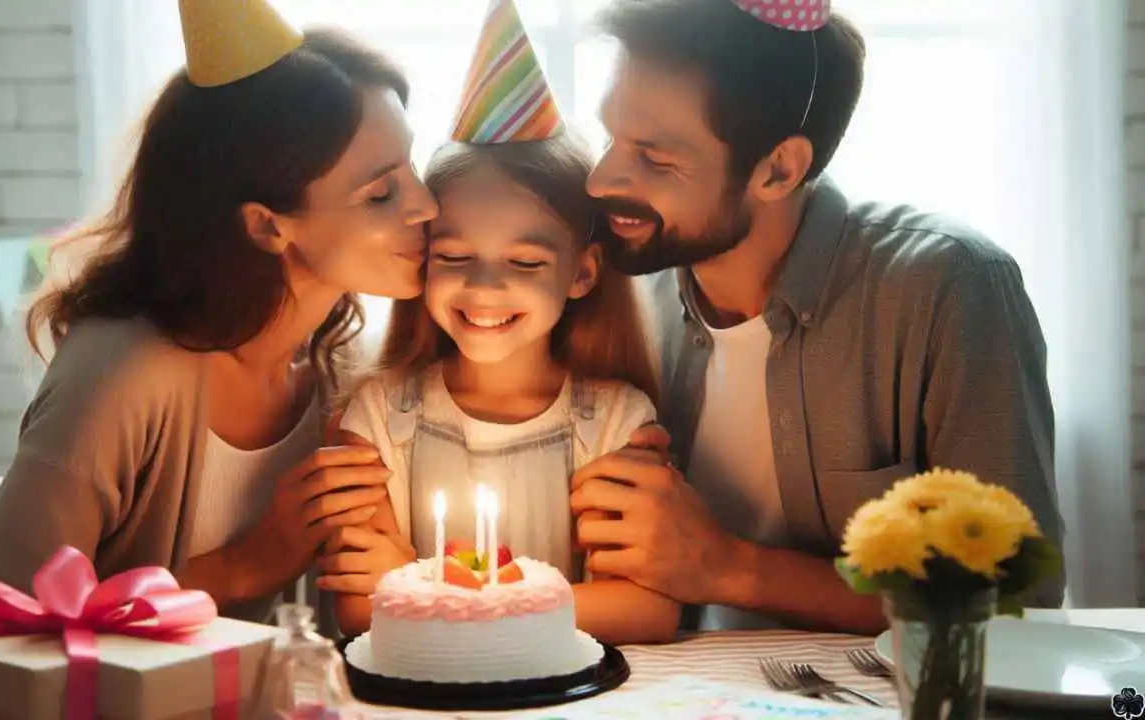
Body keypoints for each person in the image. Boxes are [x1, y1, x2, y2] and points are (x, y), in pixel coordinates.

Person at [570, 0, 1065, 635]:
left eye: (655, 158)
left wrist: (728, 568)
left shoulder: (946, 287)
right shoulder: (621, 284)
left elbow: (1014, 600)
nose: (600, 178)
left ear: (779, 169)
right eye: (610, 136)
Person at [0, 0, 438, 623]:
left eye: (413, 167)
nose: (427, 206)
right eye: (381, 193)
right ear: (267, 226)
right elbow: (4, 612)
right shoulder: (124, 375)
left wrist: (389, 566)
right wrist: (247, 563)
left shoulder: (336, 361)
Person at [315, 0, 680, 646]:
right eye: (454, 256)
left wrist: (424, 585)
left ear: (582, 273)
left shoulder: (617, 422)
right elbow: (353, 609)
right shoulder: (378, 417)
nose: (485, 286)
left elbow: (649, 608)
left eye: (524, 260)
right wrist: (546, 602)